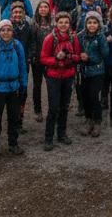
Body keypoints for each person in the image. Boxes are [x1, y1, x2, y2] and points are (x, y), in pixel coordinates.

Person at [0, 19, 27, 159]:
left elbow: (23, 67)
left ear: (12, 31)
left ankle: (13, 144)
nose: (6, 32)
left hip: (14, 88)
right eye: (3, 30)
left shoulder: (17, 45)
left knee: (14, 118)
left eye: (8, 30)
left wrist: (23, 85)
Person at [40, 11, 80, 150]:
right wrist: (57, 59)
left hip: (68, 75)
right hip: (54, 77)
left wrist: (69, 57)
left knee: (64, 106)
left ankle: (62, 134)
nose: (63, 25)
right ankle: (48, 138)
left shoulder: (73, 37)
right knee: (53, 108)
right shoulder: (50, 38)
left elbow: (77, 56)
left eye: (66, 22)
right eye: (61, 22)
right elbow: (43, 58)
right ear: (56, 23)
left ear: (70, 24)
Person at [76, 10, 109, 136]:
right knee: (85, 97)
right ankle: (88, 119)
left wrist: (89, 58)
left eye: (94, 22)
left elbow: (105, 54)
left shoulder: (101, 37)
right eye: (89, 22)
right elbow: (76, 49)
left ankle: (97, 121)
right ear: (86, 24)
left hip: (97, 71)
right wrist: (79, 56)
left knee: (95, 97)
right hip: (83, 72)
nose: (92, 25)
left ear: (98, 24)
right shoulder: (80, 36)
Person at [7, 2, 37, 130]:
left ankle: (20, 119)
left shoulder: (28, 27)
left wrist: (30, 55)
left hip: (24, 63)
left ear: (24, 13)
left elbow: (32, 42)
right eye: (15, 12)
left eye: (20, 12)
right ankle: (12, 120)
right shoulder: (7, 27)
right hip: (11, 64)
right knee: (12, 92)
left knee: (23, 92)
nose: (18, 14)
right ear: (11, 14)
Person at [29, 0, 55, 122]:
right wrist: (34, 55)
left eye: (46, 7)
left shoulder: (54, 23)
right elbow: (32, 41)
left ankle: (53, 109)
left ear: (49, 9)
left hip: (50, 59)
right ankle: (37, 110)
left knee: (51, 85)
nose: (43, 9)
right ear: (38, 9)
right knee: (37, 85)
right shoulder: (33, 23)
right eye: (41, 7)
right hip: (38, 59)